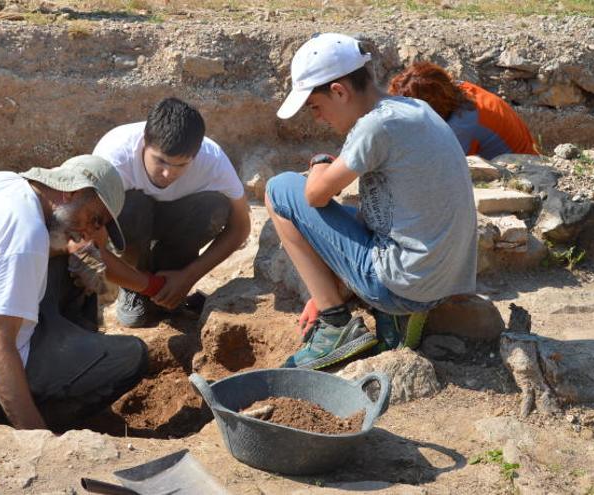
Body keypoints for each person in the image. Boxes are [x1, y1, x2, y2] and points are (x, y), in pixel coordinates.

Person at [267, 33, 478, 369]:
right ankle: (394, 315)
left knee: (280, 188)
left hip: (403, 284)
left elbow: (314, 196)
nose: (319, 118)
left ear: (339, 91)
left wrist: (321, 161)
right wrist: (334, 281)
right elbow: (382, 210)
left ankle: (335, 324)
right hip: (440, 282)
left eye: (316, 108)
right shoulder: (414, 108)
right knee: (356, 214)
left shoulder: (374, 127)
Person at [0, 155, 153, 431]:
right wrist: (35, 436)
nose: (91, 232)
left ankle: (72, 348)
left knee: (79, 255)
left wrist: (80, 252)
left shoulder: (4, 182)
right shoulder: (26, 238)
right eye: (95, 219)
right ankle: (43, 413)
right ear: (71, 190)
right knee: (133, 356)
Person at [93, 97, 251, 328]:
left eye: (181, 165)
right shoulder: (113, 159)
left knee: (215, 206)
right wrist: (142, 283)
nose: (168, 173)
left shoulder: (212, 160)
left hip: (177, 222)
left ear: (196, 155)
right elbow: (87, 241)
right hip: (131, 226)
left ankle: (171, 284)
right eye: (161, 161)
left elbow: (241, 227)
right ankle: (134, 289)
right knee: (131, 206)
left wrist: (188, 276)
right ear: (145, 142)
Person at [388, 61, 538, 160]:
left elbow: (445, 170)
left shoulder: (462, 126)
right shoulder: (455, 90)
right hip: (527, 156)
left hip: (522, 172)